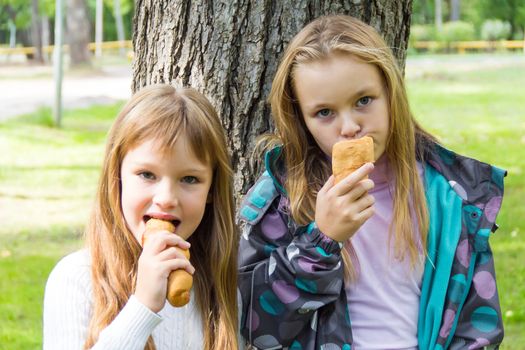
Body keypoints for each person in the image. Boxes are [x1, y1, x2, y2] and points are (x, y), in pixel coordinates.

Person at [238, 15, 505, 350]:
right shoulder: (284, 199)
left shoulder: (451, 198)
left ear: (390, 94)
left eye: (363, 100)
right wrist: (321, 240)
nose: (349, 127)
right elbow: (255, 326)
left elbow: (479, 328)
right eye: (324, 113)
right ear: (301, 120)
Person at [44, 84, 239, 349]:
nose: (167, 197)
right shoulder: (75, 279)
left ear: (211, 190)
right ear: (118, 176)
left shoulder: (220, 288)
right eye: (147, 174)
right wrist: (143, 306)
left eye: (190, 179)